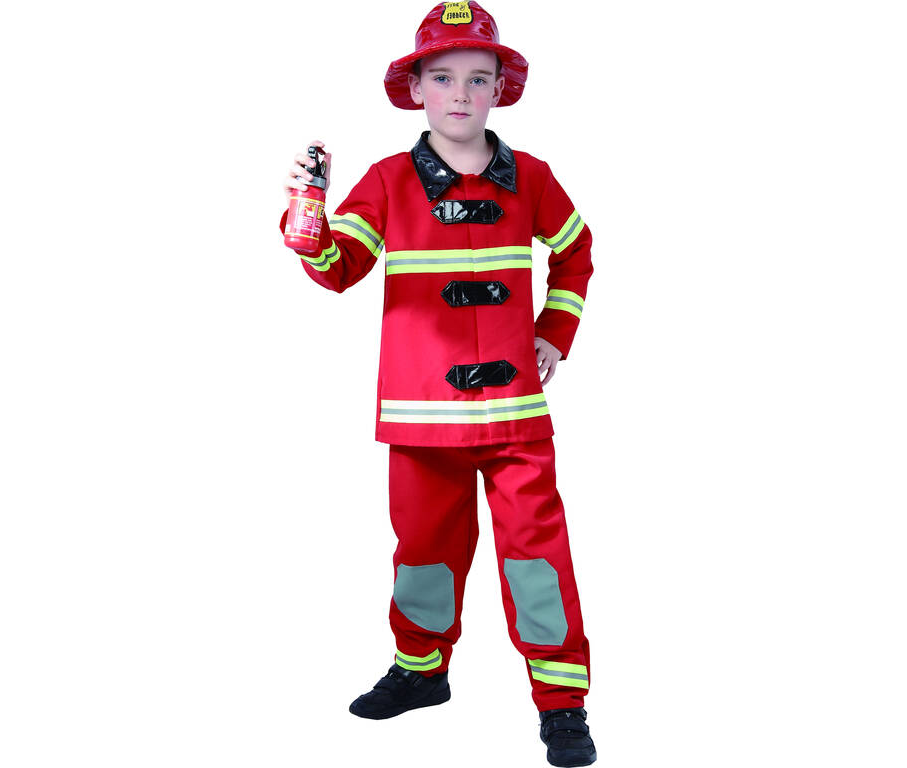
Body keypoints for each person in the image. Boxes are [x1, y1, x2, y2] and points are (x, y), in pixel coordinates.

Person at [279, 3, 596, 765]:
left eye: (478, 78)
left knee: (537, 557)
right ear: (416, 88)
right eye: (444, 77)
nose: (461, 93)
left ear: (500, 90)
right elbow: (339, 270)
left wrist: (554, 332)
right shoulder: (389, 181)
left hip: (516, 414)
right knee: (423, 550)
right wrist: (306, 220)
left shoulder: (533, 178)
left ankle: (561, 702)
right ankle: (421, 671)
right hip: (421, 414)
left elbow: (577, 250)